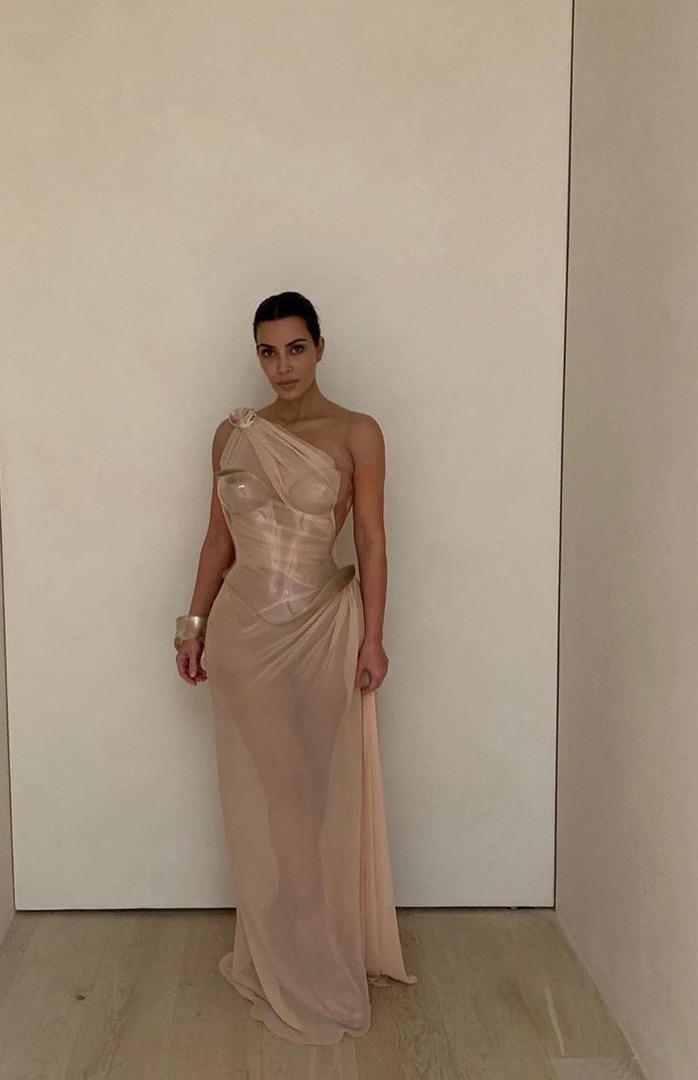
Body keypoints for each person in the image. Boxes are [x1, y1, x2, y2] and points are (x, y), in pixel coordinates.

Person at [174, 291, 416, 1044]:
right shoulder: (233, 433)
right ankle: (302, 932)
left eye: (295, 348)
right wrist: (193, 624)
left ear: (320, 347)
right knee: (281, 782)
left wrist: (374, 638)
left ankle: (305, 917)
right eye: (268, 351)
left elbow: (370, 538)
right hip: (245, 634)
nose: (282, 366)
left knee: (314, 780)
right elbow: (218, 540)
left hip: (324, 627)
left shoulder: (356, 432)